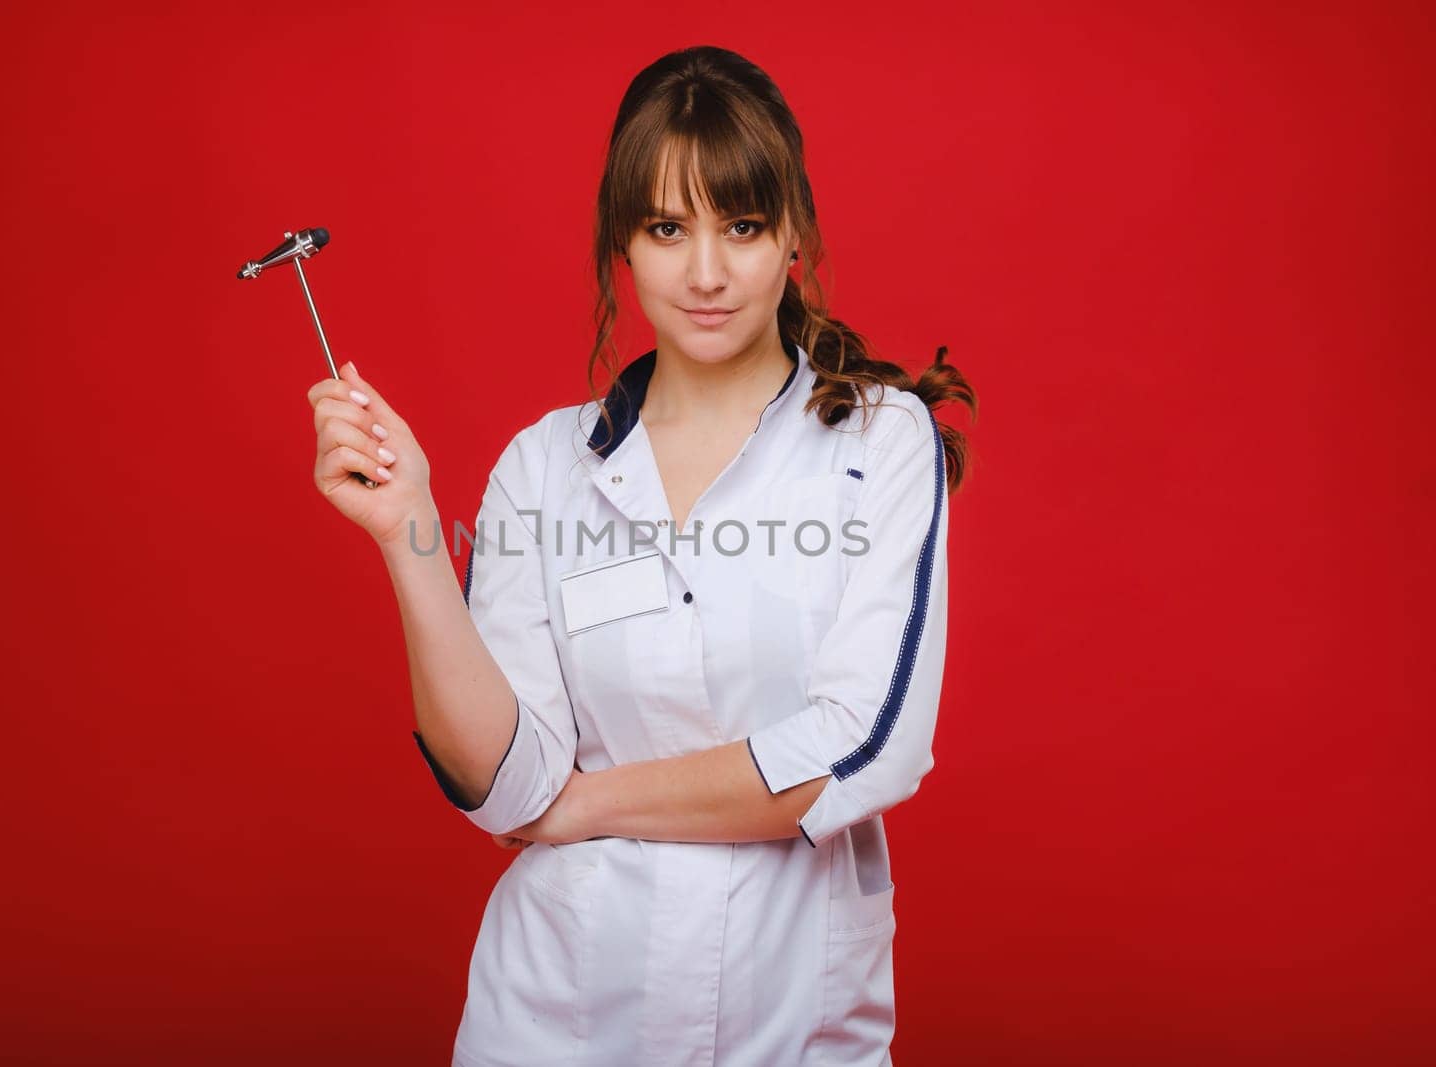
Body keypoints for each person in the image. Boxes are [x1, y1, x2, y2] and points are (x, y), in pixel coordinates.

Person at [306, 44, 976, 1067]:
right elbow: (502, 781)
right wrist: (409, 531)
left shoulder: (880, 445)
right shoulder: (543, 467)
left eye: (741, 227)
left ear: (792, 231)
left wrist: (580, 803)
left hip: (788, 1023)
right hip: (554, 1017)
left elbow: (858, 745)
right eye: (667, 228)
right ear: (624, 239)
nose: (705, 273)